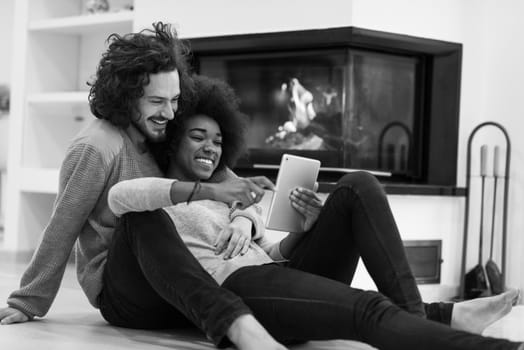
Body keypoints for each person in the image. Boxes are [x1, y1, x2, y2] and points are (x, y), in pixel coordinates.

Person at [107, 75, 522, 350]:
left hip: (272, 275)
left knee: (358, 185)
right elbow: (121, 199)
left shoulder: (230, 197)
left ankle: (421, 324)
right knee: (365, 310)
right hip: (238, 289)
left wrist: (306, 228)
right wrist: (213, 191)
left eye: (218, 140)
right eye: (198, 136)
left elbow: (273, 255)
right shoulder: (160, 197)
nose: (211, 147)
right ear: (172, 142)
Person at [0, 22, 281, 350]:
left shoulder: (161, 133)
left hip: (174, 277)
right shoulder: (97, 147)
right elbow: (62, 226)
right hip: (123, 287)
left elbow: (233, 187)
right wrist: (28, 301)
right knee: (139, 214)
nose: (171, 112)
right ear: (126, 96)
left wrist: (244, 219)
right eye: (157, 101)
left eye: (175, 100)